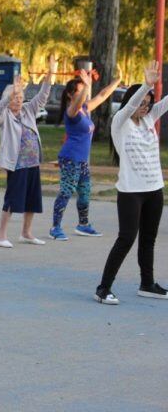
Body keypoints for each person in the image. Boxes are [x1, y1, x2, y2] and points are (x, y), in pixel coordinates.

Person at [95, 62, 168, 304]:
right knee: (126, 238)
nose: (145, 108)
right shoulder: (121, 122)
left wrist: (152, 94)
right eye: (142, 103)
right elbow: (131, 106)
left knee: (149, 239)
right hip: (131, 193)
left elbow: (164, 104)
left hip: (154, 190)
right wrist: (147, 84)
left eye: (149, 104)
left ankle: (147, 284)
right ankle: (103, 288)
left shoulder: (148, 120)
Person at [50, 65, 121, 240]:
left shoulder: (86, 109)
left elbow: (103, 95)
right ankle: (55, 228)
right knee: (66, 191)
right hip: (70, 158)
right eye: (81, 91)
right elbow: (79, 101)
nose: (85, 93)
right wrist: (87, 85)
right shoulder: (71, 111)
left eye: (84, 90)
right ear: (70, 95)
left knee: (85, 191)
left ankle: (83, 225)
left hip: (82, 160)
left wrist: (117, 80)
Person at [0, 56, 56, 248]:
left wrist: (50, 73)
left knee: (32, 199)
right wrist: (10, 94)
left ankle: (26, 233)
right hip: (16, 164)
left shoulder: (28, 110)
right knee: (12, 199)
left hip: (33, 163)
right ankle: (1, 236)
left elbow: (43, 96)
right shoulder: (4, 117)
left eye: (20, 98)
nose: (19, 101)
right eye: (15, 98)